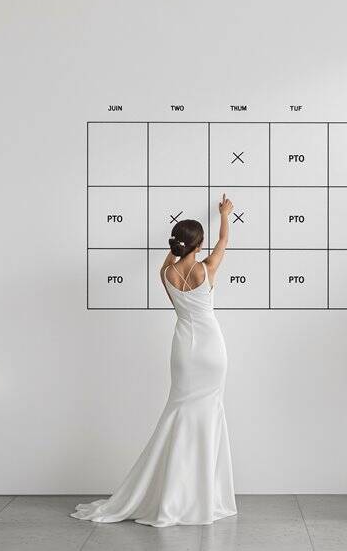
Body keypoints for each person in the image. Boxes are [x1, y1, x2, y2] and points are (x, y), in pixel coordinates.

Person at [72, 195, 238, 527]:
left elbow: (173, 261)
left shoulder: (166, 273)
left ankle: (172, 491)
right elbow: (224, 240)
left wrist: (178, 247)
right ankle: (201, 494)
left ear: (177, 245)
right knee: (207, 414)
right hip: (211, 349)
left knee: (177, 413)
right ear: (198, 244)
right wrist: (224, 214)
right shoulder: (207, 268)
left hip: (183, 350)